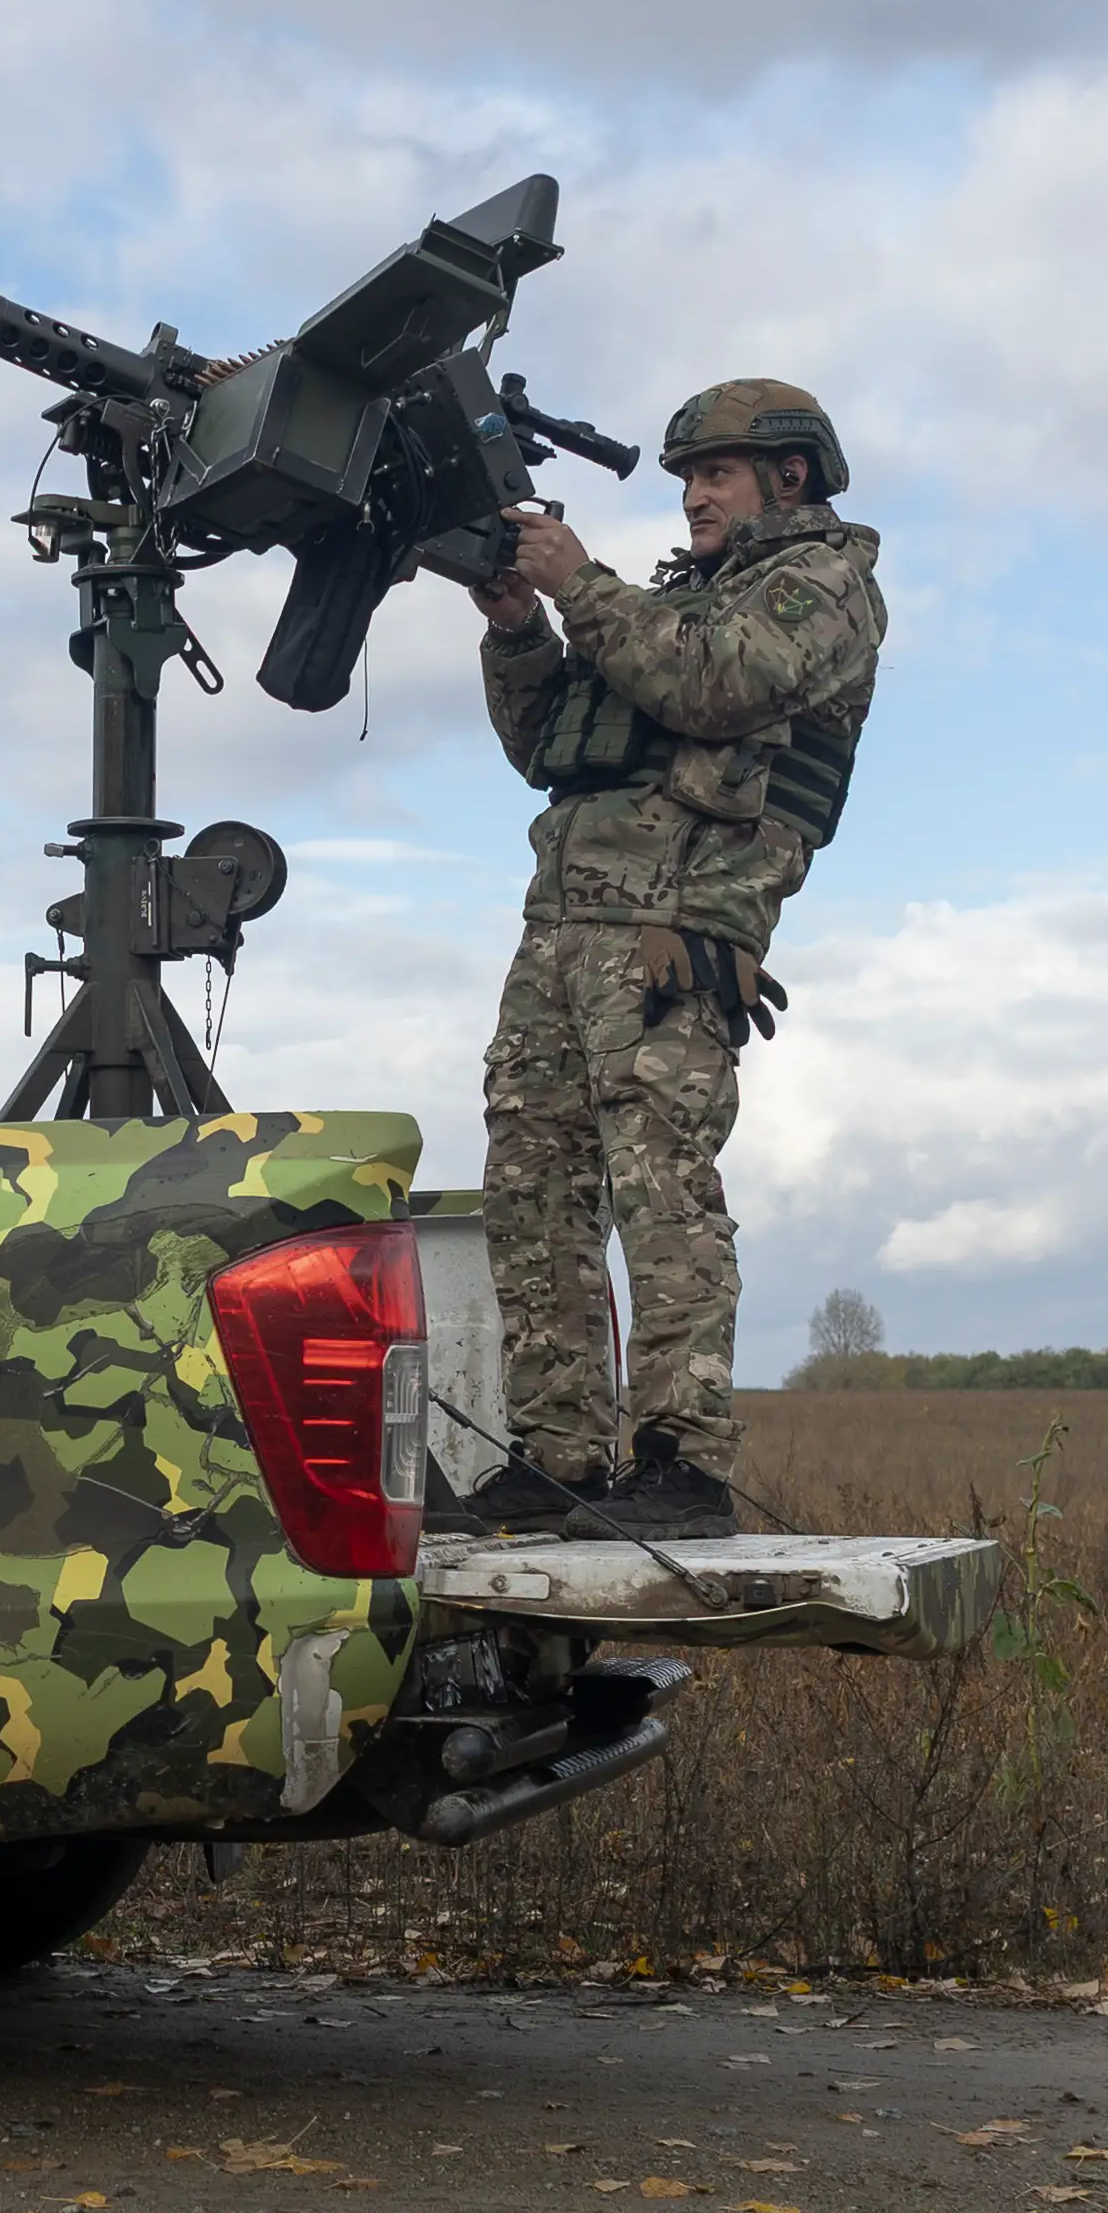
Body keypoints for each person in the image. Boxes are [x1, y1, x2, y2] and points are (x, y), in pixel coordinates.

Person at [448, 378, 884, 1538]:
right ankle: (557, 1457)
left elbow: (713, 683)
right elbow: (549, 743)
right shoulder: (668, 602)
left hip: (673, 932)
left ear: (786, 478)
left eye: (715, 474)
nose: (692, 496)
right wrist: (515, 627)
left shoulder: (823, 586)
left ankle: (679, 1462)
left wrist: (576, 582)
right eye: (688, 478)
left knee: (660, 1186)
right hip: (564, 923)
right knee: (532, 1193)